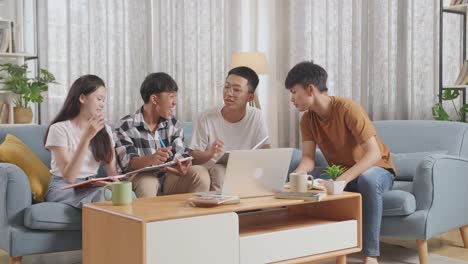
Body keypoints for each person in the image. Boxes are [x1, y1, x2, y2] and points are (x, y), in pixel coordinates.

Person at [285, 61, 396, 264]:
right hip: (341, 174)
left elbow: (373, 153)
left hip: (377, 169)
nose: (292, 99)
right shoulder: (307, 120)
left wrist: (343, 180)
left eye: (294, 92)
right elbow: (309, 158)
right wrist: (297, 175)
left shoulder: (347, 108)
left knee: (368, 181)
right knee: (298, 178)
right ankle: (307, 245)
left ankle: (371, 255)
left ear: (310, 89)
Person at [114, 72, 210, 197]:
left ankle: (195, 216)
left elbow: (181, 154)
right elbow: (127, 163)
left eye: (175, 96)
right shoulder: (126, 125)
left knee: (200, 173)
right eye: (171, 96)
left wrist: (182, 167)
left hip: (169, 178)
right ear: (154, 99)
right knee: (147, 182)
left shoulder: (173, 124)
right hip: (140, 178)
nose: (175, 102)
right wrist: (151, 159)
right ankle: (150, 217)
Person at [189, 66, 270, 191]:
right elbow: (193, 156)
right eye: (227, 87)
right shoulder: (207, 117)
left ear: (250, 97)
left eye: (236, 90)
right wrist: (209, 153)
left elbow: (265, 150)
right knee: (219, 171)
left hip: (244, 169)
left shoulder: (257, 116)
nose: (229, 93)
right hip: (213, 170)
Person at [44, 75, 120, 208]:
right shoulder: (59, 129)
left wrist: (114, 183)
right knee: (102, 196)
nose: (102, 104)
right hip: (64, 187)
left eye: (104, 100)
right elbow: (69, 177)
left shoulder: (105, 129)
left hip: (92, 185)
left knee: (128, 196)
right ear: (82, 98)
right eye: (99, 99)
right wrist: (86, 137)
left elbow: (112, 172)